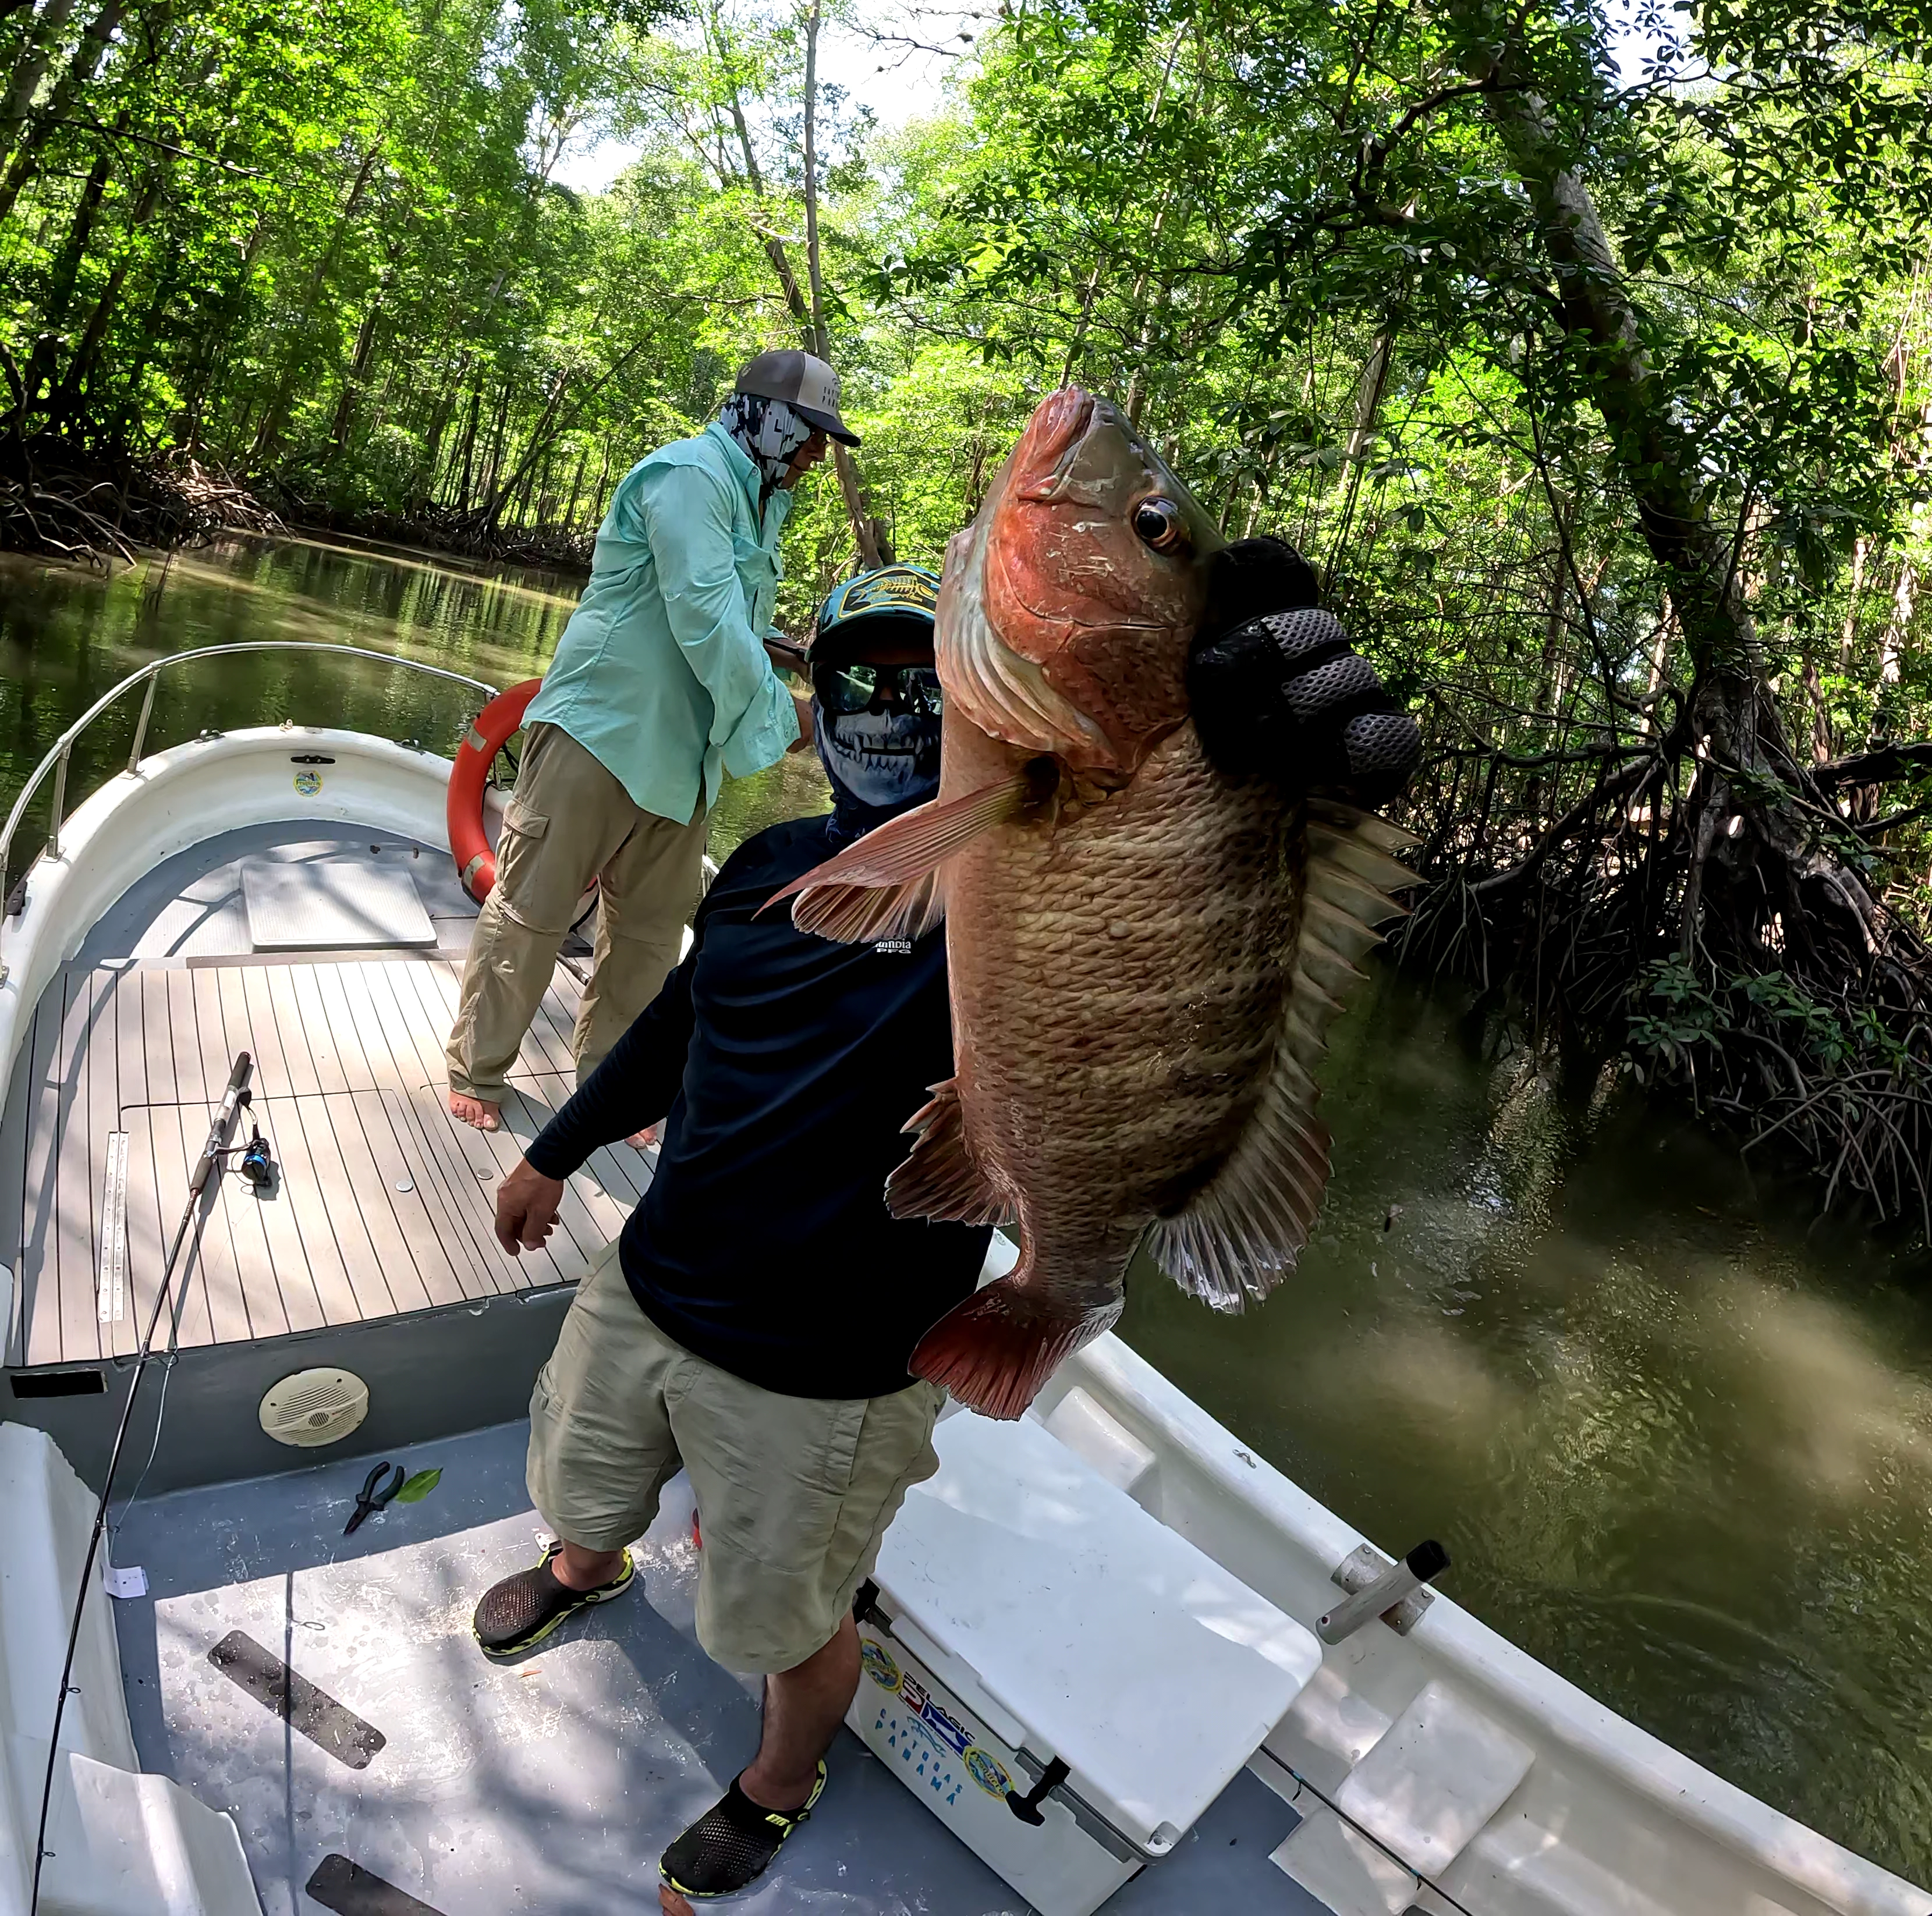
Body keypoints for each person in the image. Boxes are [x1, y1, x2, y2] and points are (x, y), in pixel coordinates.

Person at [466, 539, 1419, 1907]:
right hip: (650, 1286)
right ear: (816, 703)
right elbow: (680, 1021)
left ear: (985, 708)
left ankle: (778, 1786)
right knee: (581, 1474)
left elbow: (1150, 917)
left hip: (825, 1380)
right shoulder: (767, 863)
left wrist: (1272, 783)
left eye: (932, 681)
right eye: (863, 679)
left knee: (789, 1624)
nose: (896, 711)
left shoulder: (1003, 879)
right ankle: (586, 1562)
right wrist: (553, 1155)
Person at [445, 349, 856, 1133]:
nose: (815, 454)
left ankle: (611, 1086)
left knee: (647, 939)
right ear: (766, 417)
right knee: (533, 910)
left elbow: (729, 618)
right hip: (601, 733)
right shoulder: (691, 477)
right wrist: (785, 718)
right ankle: (479, 1066)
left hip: (684, 760)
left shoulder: (760, 502)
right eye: (809, 434)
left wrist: (788, 655)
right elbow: (700, 614)